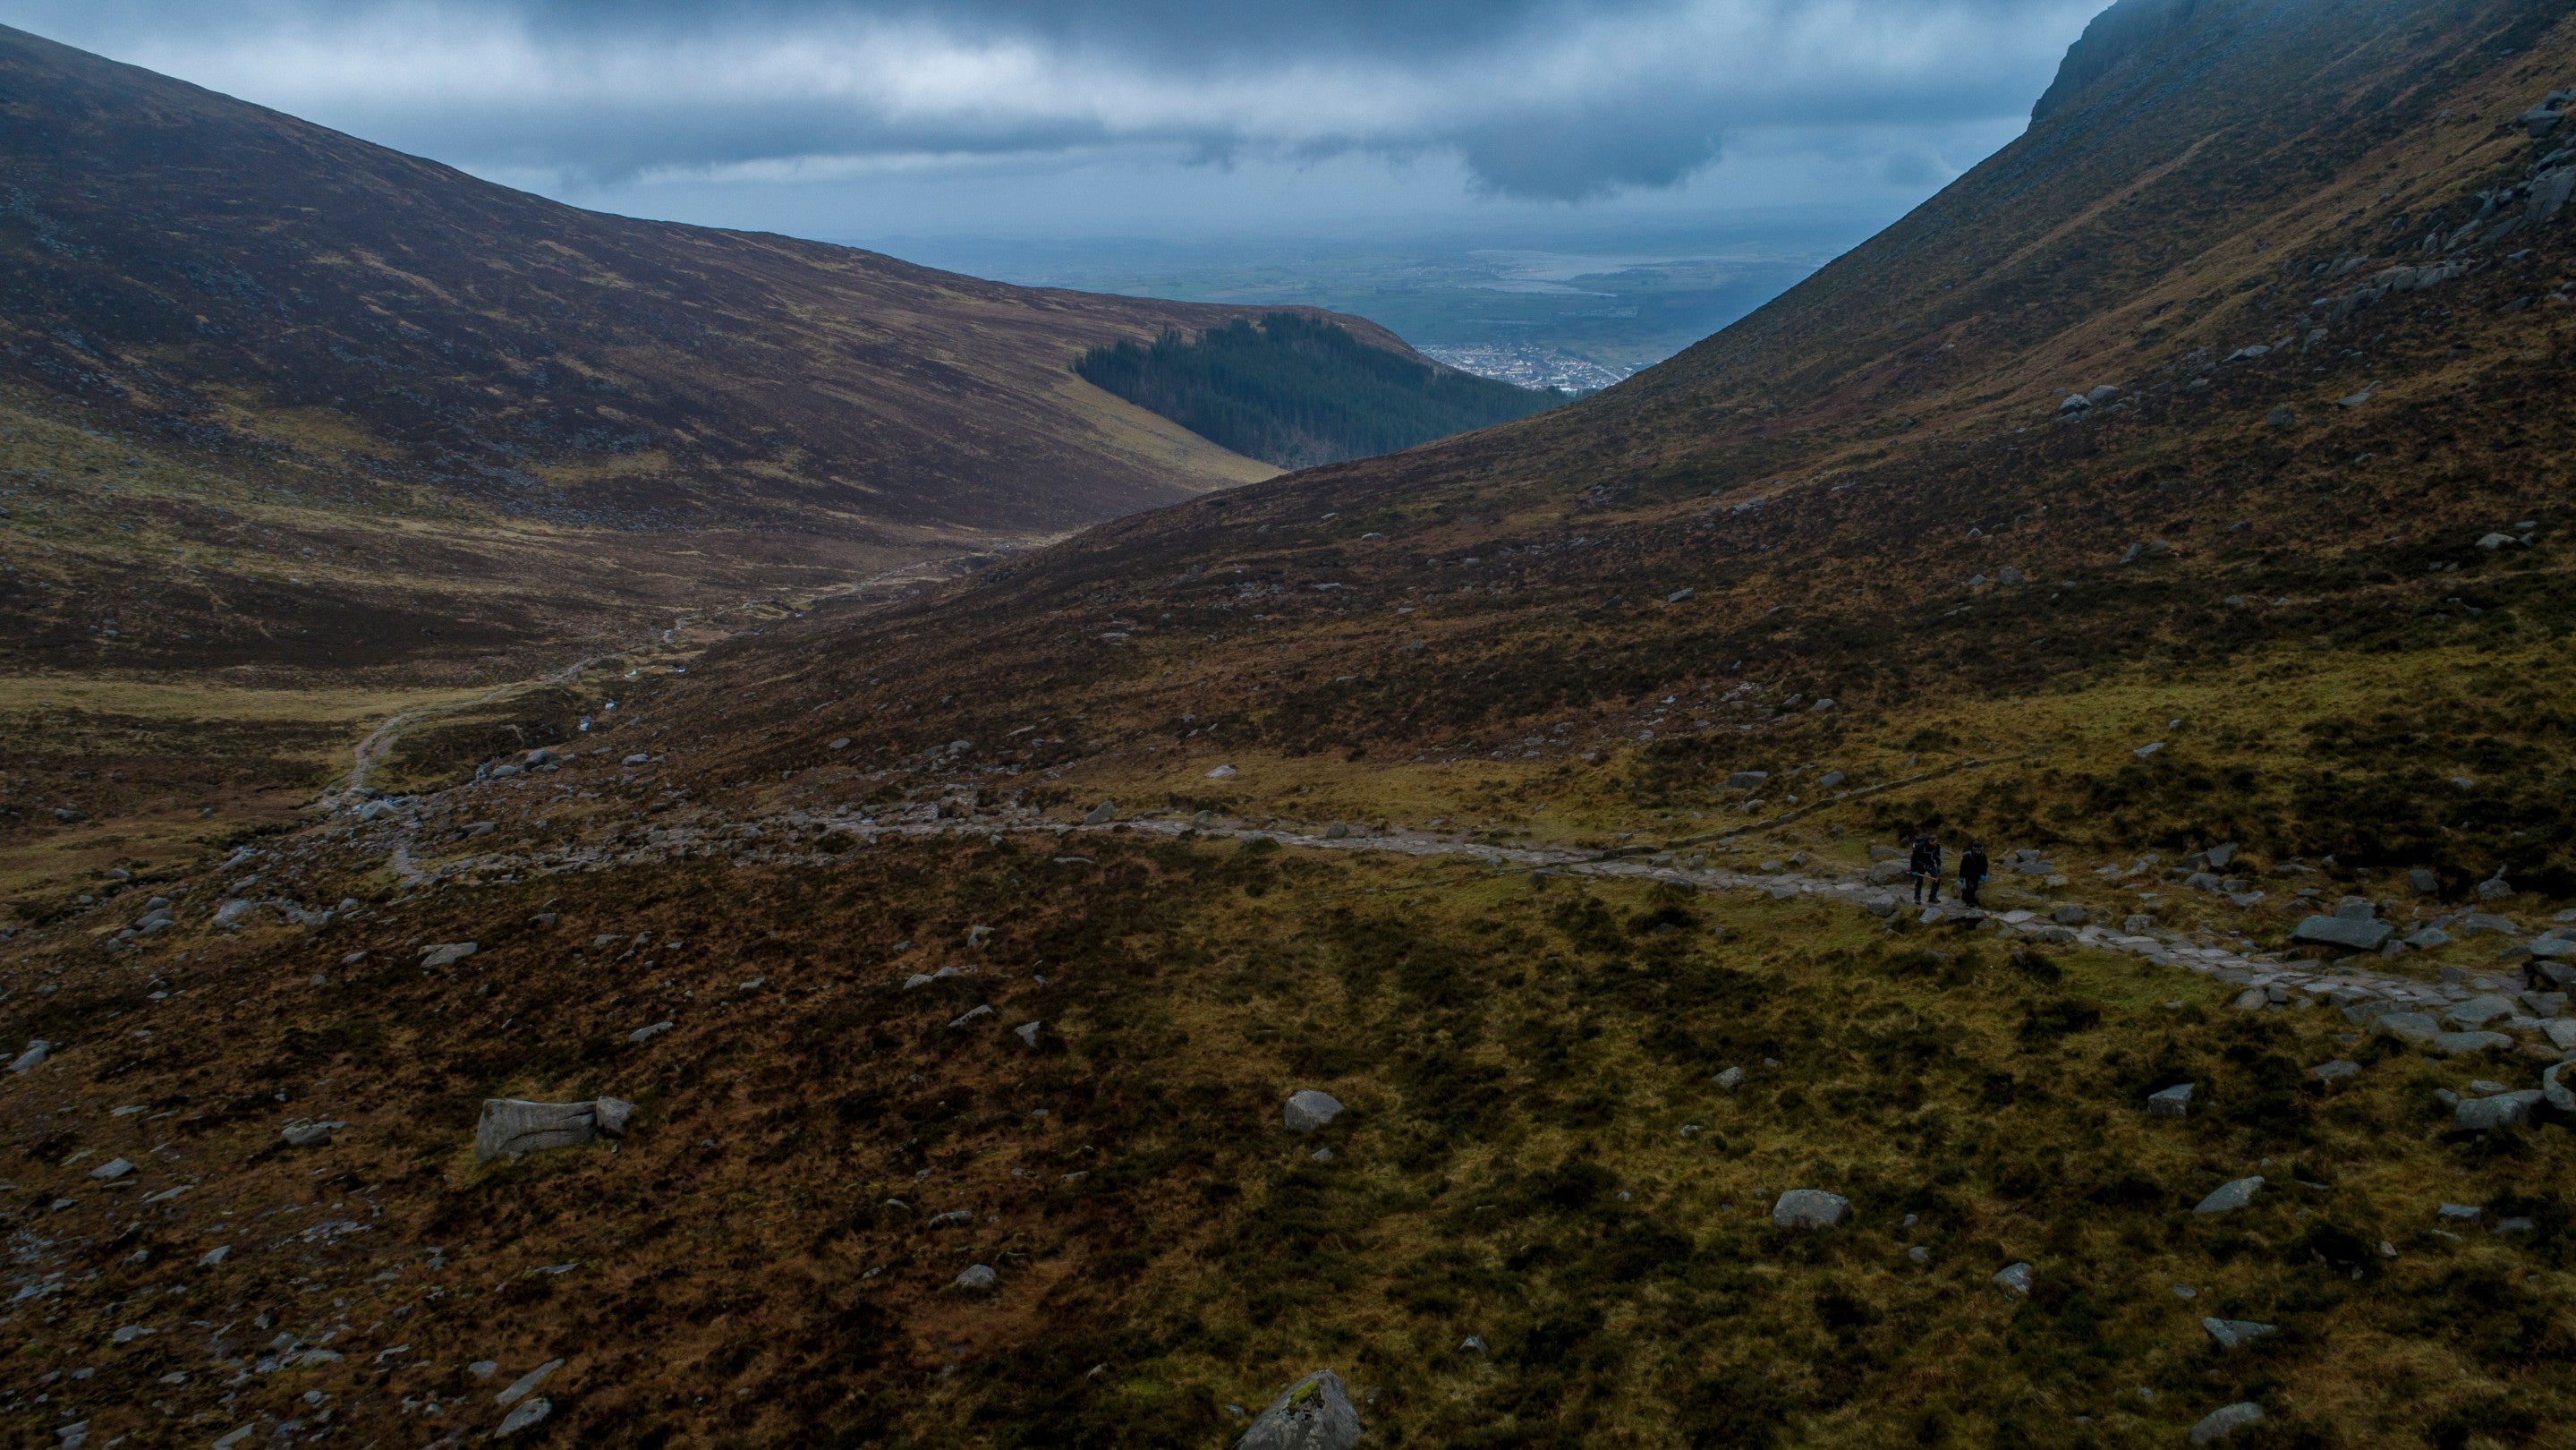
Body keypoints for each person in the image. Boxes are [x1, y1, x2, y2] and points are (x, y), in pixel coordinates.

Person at [1909, 832, 1943, 905]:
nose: (1936, 844)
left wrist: (1939, 865)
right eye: (1935, 843)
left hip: (1931, 865)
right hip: (1921, 865)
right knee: (1919, 881)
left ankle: (1932, 897)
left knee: (1937, 878)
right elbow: (1913, 858)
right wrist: (1913, 869)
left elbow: (1938, 856)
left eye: (1937, 843)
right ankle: (1917, 898)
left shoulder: (1937, 846)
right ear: (1930, 841)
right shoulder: (1921, 846)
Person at [1959, 840, 1990, 909]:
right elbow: (1962, 867)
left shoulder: (1983, 856)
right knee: (1971, 887)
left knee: (1974, 888)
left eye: (1980, 849)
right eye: (1977, 849)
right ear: (1973, 849)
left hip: (1977, 875)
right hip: (1968, 875)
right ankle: (1969, 902)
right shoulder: (1967, 856)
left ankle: (1964, 892)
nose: (1978, 851)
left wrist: (1983, 874)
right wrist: (1961, 876)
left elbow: (1985, 866)